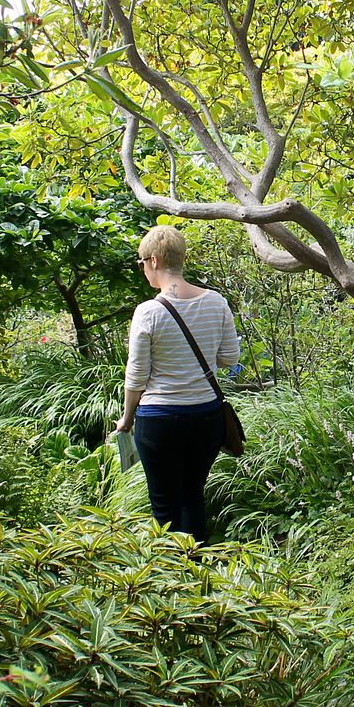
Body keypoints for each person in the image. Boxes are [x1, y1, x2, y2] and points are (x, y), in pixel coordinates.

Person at [114, 225, 240, 544]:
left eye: (141, 262)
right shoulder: (216, 303)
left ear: (154, 261)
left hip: (159, 421)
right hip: (206, 418)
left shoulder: (148, 312)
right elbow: (228, 358)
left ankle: (173, 579)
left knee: (164, 505)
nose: (142, 269)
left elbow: (137, 375)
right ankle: (198, 571)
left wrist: (127, 419)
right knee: (193, 496)